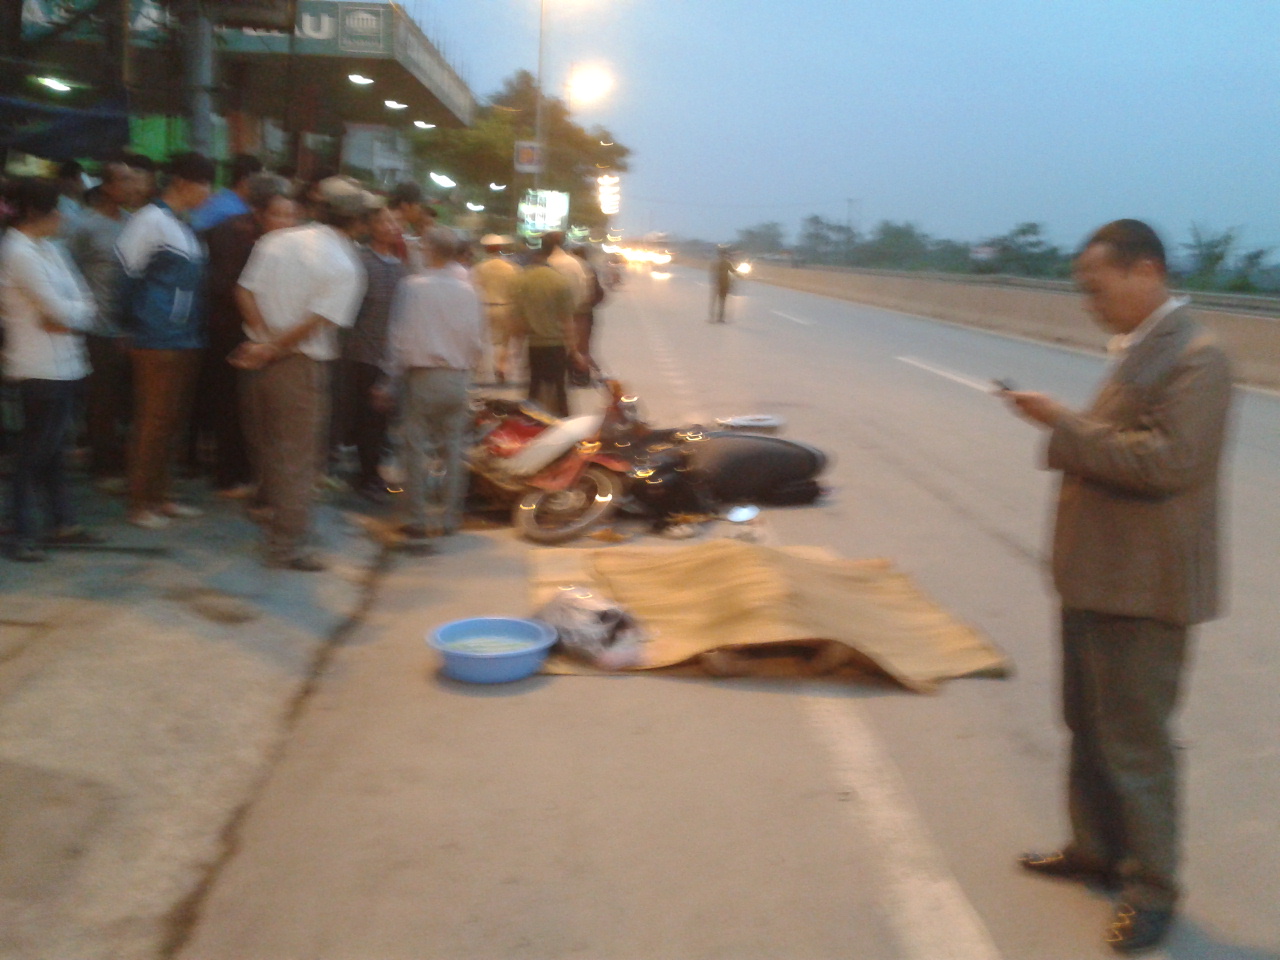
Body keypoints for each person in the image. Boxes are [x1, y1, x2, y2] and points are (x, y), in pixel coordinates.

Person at [1002, 219, 1234, 954]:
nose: (1090, 304)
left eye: (1098, 289)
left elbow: (1167, 463)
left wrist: (1061, 422)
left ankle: (1153, 888)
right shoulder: (1142, 348)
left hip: (1144, 589)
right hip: (1096, 579)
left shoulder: (1199, 357)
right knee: (1086, 727)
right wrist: (1064, 424)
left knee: (1136, 746)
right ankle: (1095, 849)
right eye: (1083, 291)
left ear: (1147, 272)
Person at [231, 175, 370, 571]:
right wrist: (274, 349)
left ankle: (269, 515)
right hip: (298, 366)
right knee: (297, 460)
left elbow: (243, 291)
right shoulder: (345, 265)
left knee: (268, 449)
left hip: (256, 361)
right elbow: (316, 322)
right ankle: (286, 546)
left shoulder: (277, 240)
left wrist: (262, 341)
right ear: (357, 221)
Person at [0, 177, 100, 561]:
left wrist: (70, 317)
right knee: (34, 454)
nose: (62, 215)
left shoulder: (51, 248)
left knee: (53, 450)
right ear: (35, 212)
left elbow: (84, 303)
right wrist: (70, 315)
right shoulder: (18, 252)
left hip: (65, 364)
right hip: (38, 367)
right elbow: (63, 308)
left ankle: (62, 522)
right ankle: (19, 531)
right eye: (56, 209)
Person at [115, 151, 214, 529]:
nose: (208, 193)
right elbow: (126, 277)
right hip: (155, 337)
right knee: (152, 422)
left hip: (185, 337)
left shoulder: (182, 224)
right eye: (205, 185)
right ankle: (140, 504)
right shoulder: (149, 221)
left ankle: (162, 497)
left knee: (172, 422)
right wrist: (128, 326)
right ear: (183, 183)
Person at [379, 226, 484, 541]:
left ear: (430, 251)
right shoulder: (468, 290)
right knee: (454, 450)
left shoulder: (413, 287)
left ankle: (417, 518)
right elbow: (476, 341)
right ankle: (450, 518)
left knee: (416, 448)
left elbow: (399, 338)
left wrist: (389, 380)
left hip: (421, 378)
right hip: (457, 377)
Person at [202, 173, 296, 498]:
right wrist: (260, 329)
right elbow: (231, 288)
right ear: (259, 211)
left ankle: (246, 471)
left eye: (290, 215)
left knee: (250, 406)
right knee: (232, 403)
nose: (286, 222)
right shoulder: (236, 235)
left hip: (256, 332)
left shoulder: (272, 241)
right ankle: (230, 475)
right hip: (231, 330)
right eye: (278, 214)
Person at [64, 160, 144, 489]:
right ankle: (104, 469)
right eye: (125, 180)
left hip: (132, 327)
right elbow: (70, 273)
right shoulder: (84, 226)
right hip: (98, 327)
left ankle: (123, 462)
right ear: (107, 187)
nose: (132, 186)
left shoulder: (134, 223)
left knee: (129, 401)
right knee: (102, 401)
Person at [335, 203, 406, 501]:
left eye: (394, 222)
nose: (391, 226)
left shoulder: (400, 267)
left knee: (379, 419)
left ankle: (370, 472)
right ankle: (367, 477)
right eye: (384, 221)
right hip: (361, 353)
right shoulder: (360, 261)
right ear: (371, 227)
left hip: (389, 354)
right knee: (369, 417)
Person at [509, 239, 579, 417]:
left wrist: (515, 350)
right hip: (556, 346)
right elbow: (567, 321)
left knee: (534, 387)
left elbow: (518, 320)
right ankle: (564, 421)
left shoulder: (522, 281)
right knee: (559, 389)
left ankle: (531, 422)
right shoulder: (560, 281)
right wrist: (573, 350)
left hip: (534, 346)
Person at [471, 234, 519, 382]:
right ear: (501, 248)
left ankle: (480, 369)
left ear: (486, 249)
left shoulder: (480, 268)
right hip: (506, 308)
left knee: (483, 340)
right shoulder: (511, 268)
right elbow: (516, 290)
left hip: (485, 307)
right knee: (504, 341)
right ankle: (501, 367)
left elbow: (475, 288)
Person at [189, 153, 263, 233]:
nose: (261, 186)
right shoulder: (237, 212)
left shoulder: (218, 196)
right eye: (259, 181)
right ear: (245, 181)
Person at [570, 244, 606, 383]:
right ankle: (583, 375)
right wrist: (590, 304)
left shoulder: (567, 270)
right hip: (584, 314)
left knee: (569, 345)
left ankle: (572, 372)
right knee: (583, 347)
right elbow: (599, 293)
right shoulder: (588, 270)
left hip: (567, 313)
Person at [387, 181, 436, 272]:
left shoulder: (401, 232)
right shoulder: (390, 232)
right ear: (405, 205)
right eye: (418, 205)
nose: (420, 209)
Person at [710, 246, 739, 323]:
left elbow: (713, 273)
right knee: (722, 301)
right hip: (724, 284)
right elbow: (733, 271)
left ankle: (712, 317)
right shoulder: (727, 263)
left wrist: (714, 282)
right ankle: (720, 318)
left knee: (715, 301)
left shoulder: (716, 263)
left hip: (719, 283)